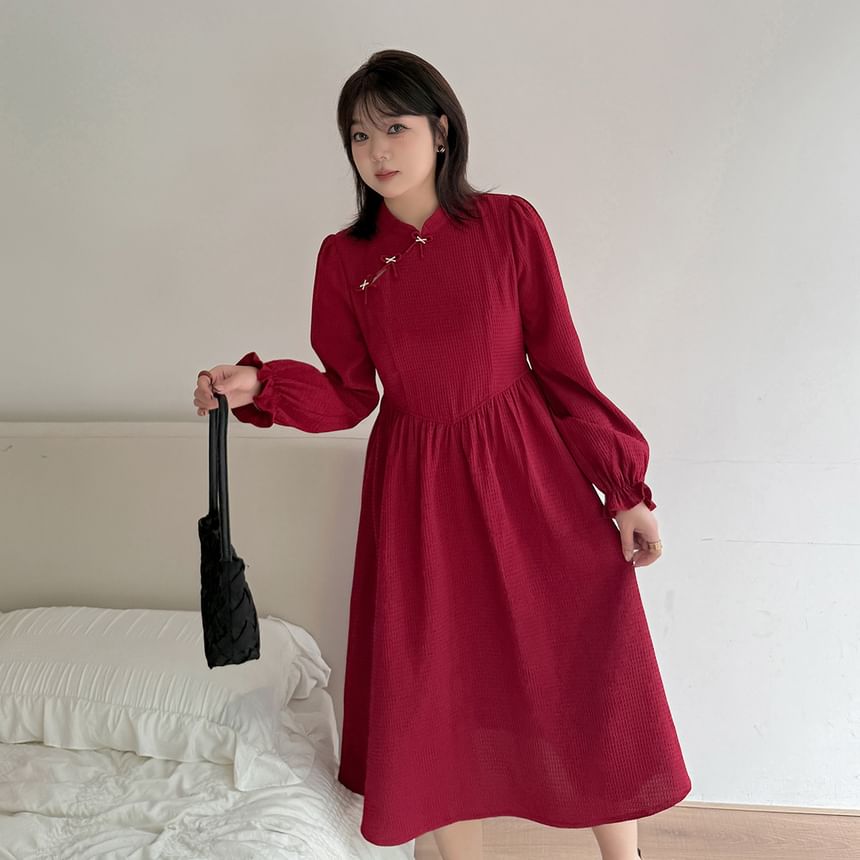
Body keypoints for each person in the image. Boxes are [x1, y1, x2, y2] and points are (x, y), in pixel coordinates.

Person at [192, 49, 689, 860]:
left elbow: (560, 365)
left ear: (442, 131)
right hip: (417, 490)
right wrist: (261, 385)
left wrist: (624, 490)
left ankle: (622, 857)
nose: (377, 151)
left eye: (394, 127)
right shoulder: (345, 258)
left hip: (528, 473)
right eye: (359, 136)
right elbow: (348, 393)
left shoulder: (509, 225)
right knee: (438, 688)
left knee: (582, 659)